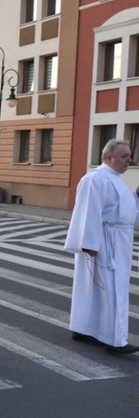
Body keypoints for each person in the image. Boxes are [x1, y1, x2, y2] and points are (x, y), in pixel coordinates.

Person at [65, 139, 139, 354]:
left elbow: (126, 213)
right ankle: (114, 340)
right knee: (111, 292)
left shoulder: (115, 179)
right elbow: (88, 211)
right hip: (104, 243)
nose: (129, 160)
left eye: (129, 156)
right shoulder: (95, 179)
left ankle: (83, 329)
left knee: (95, 291)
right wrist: (89, 244)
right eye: (124, 156)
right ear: (109, 157)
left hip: (119, 241)